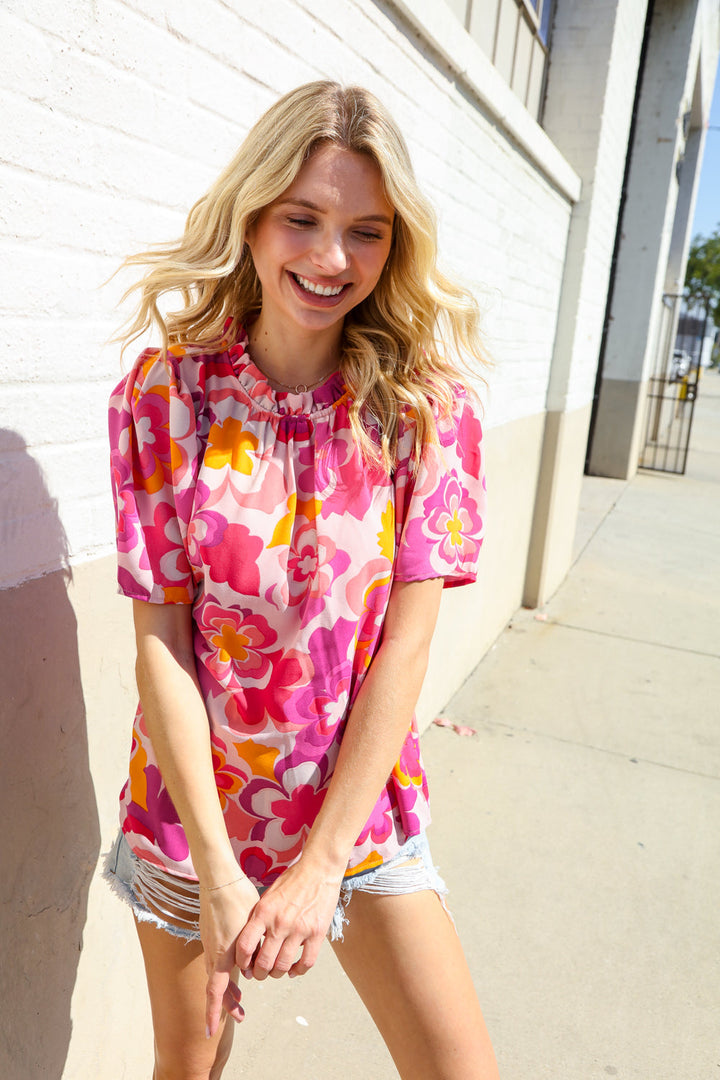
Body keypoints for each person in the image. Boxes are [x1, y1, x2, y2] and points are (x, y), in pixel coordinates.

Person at [105, 80, 499, 1080]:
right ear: (252, 217)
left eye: (367, 232)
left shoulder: (425, 414)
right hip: (195, 819)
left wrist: (321, 867)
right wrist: (219, 874)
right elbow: (163, 647)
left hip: (356, 820)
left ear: (395, 246)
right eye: (303, 219)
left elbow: (406, 646)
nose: (332, 259)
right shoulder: (165, 396)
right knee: (188, 1070)